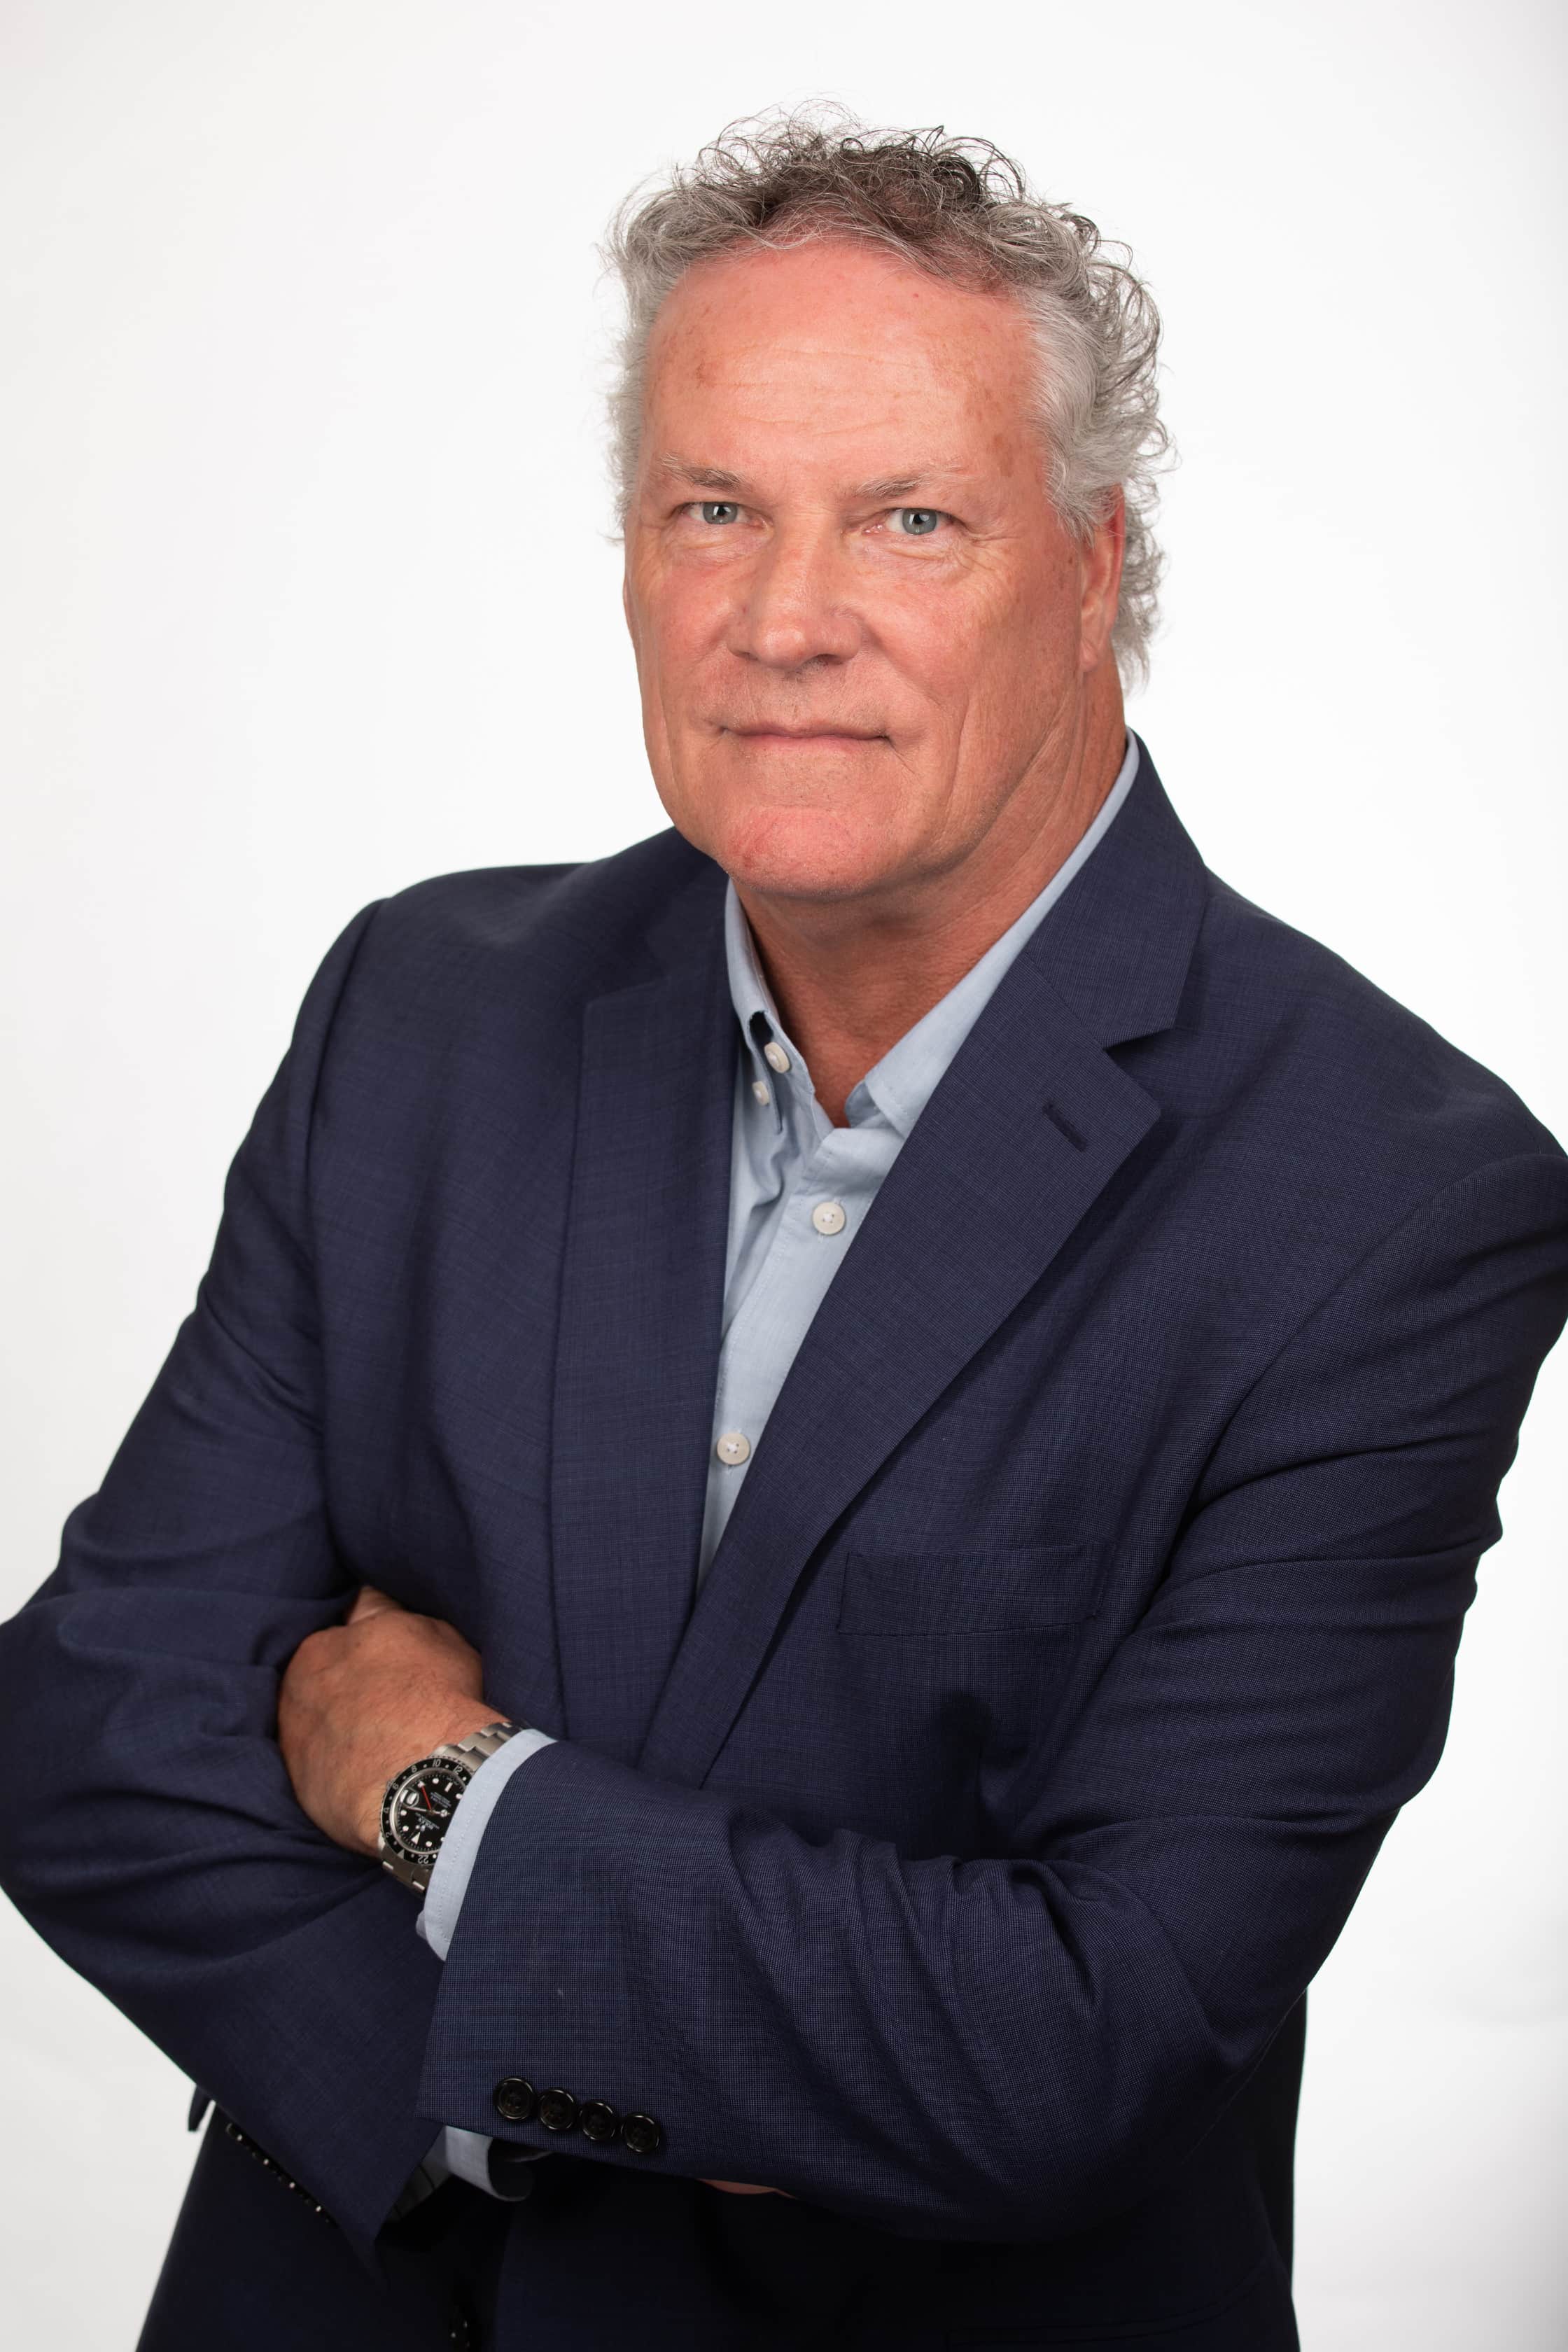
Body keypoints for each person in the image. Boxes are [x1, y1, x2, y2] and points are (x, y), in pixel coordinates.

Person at [1, 110, 1564, 2352]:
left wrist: (431, 1793)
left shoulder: (1392, 1196)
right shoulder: (424, 1011)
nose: (784, 620)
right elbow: (93, 1729)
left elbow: (1068, 2047)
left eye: (910, 519)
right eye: (713, 509)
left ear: (1094, 564)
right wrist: (526, 2100)